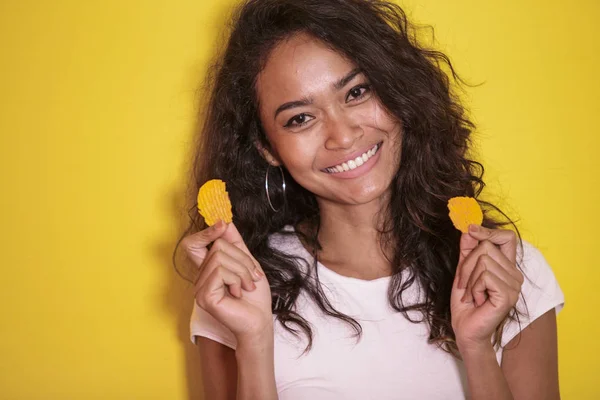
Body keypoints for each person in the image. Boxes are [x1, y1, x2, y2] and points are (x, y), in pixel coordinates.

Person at [175, 0, 565, 398]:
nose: (342, 136)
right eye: (300, 118)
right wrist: (256, 342)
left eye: (356, 92)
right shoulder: (234, 289)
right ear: (267, 148)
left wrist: (478, 349)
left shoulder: (508, 271)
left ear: (397, 90)